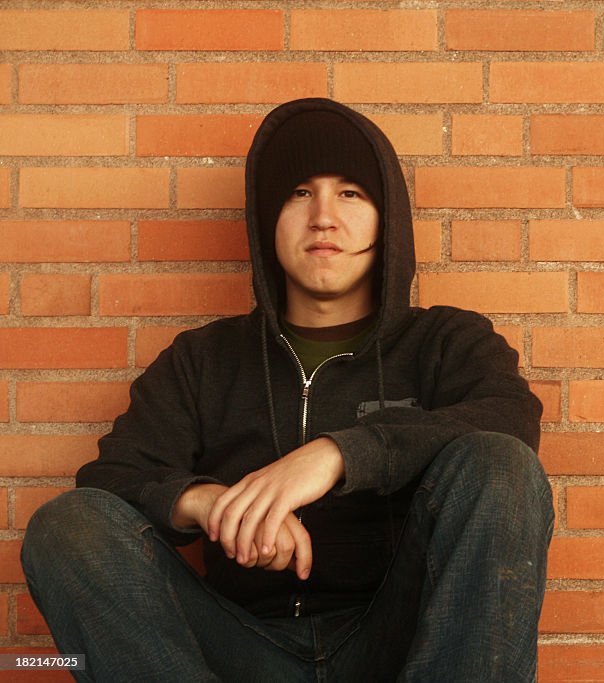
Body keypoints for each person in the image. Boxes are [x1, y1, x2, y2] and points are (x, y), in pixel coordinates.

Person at [21, 98, 553, 682]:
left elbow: (510, 420)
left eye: (350, 193)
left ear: (387, 219)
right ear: (267, 220)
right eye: (300, 193)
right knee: (67, 524)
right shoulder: (203, 360)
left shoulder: (445, 341)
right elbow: (112, 481)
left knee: (499, 463)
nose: (323, 216)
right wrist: (214, 505)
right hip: (237, 650)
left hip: (399, 643)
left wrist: (336, 455)